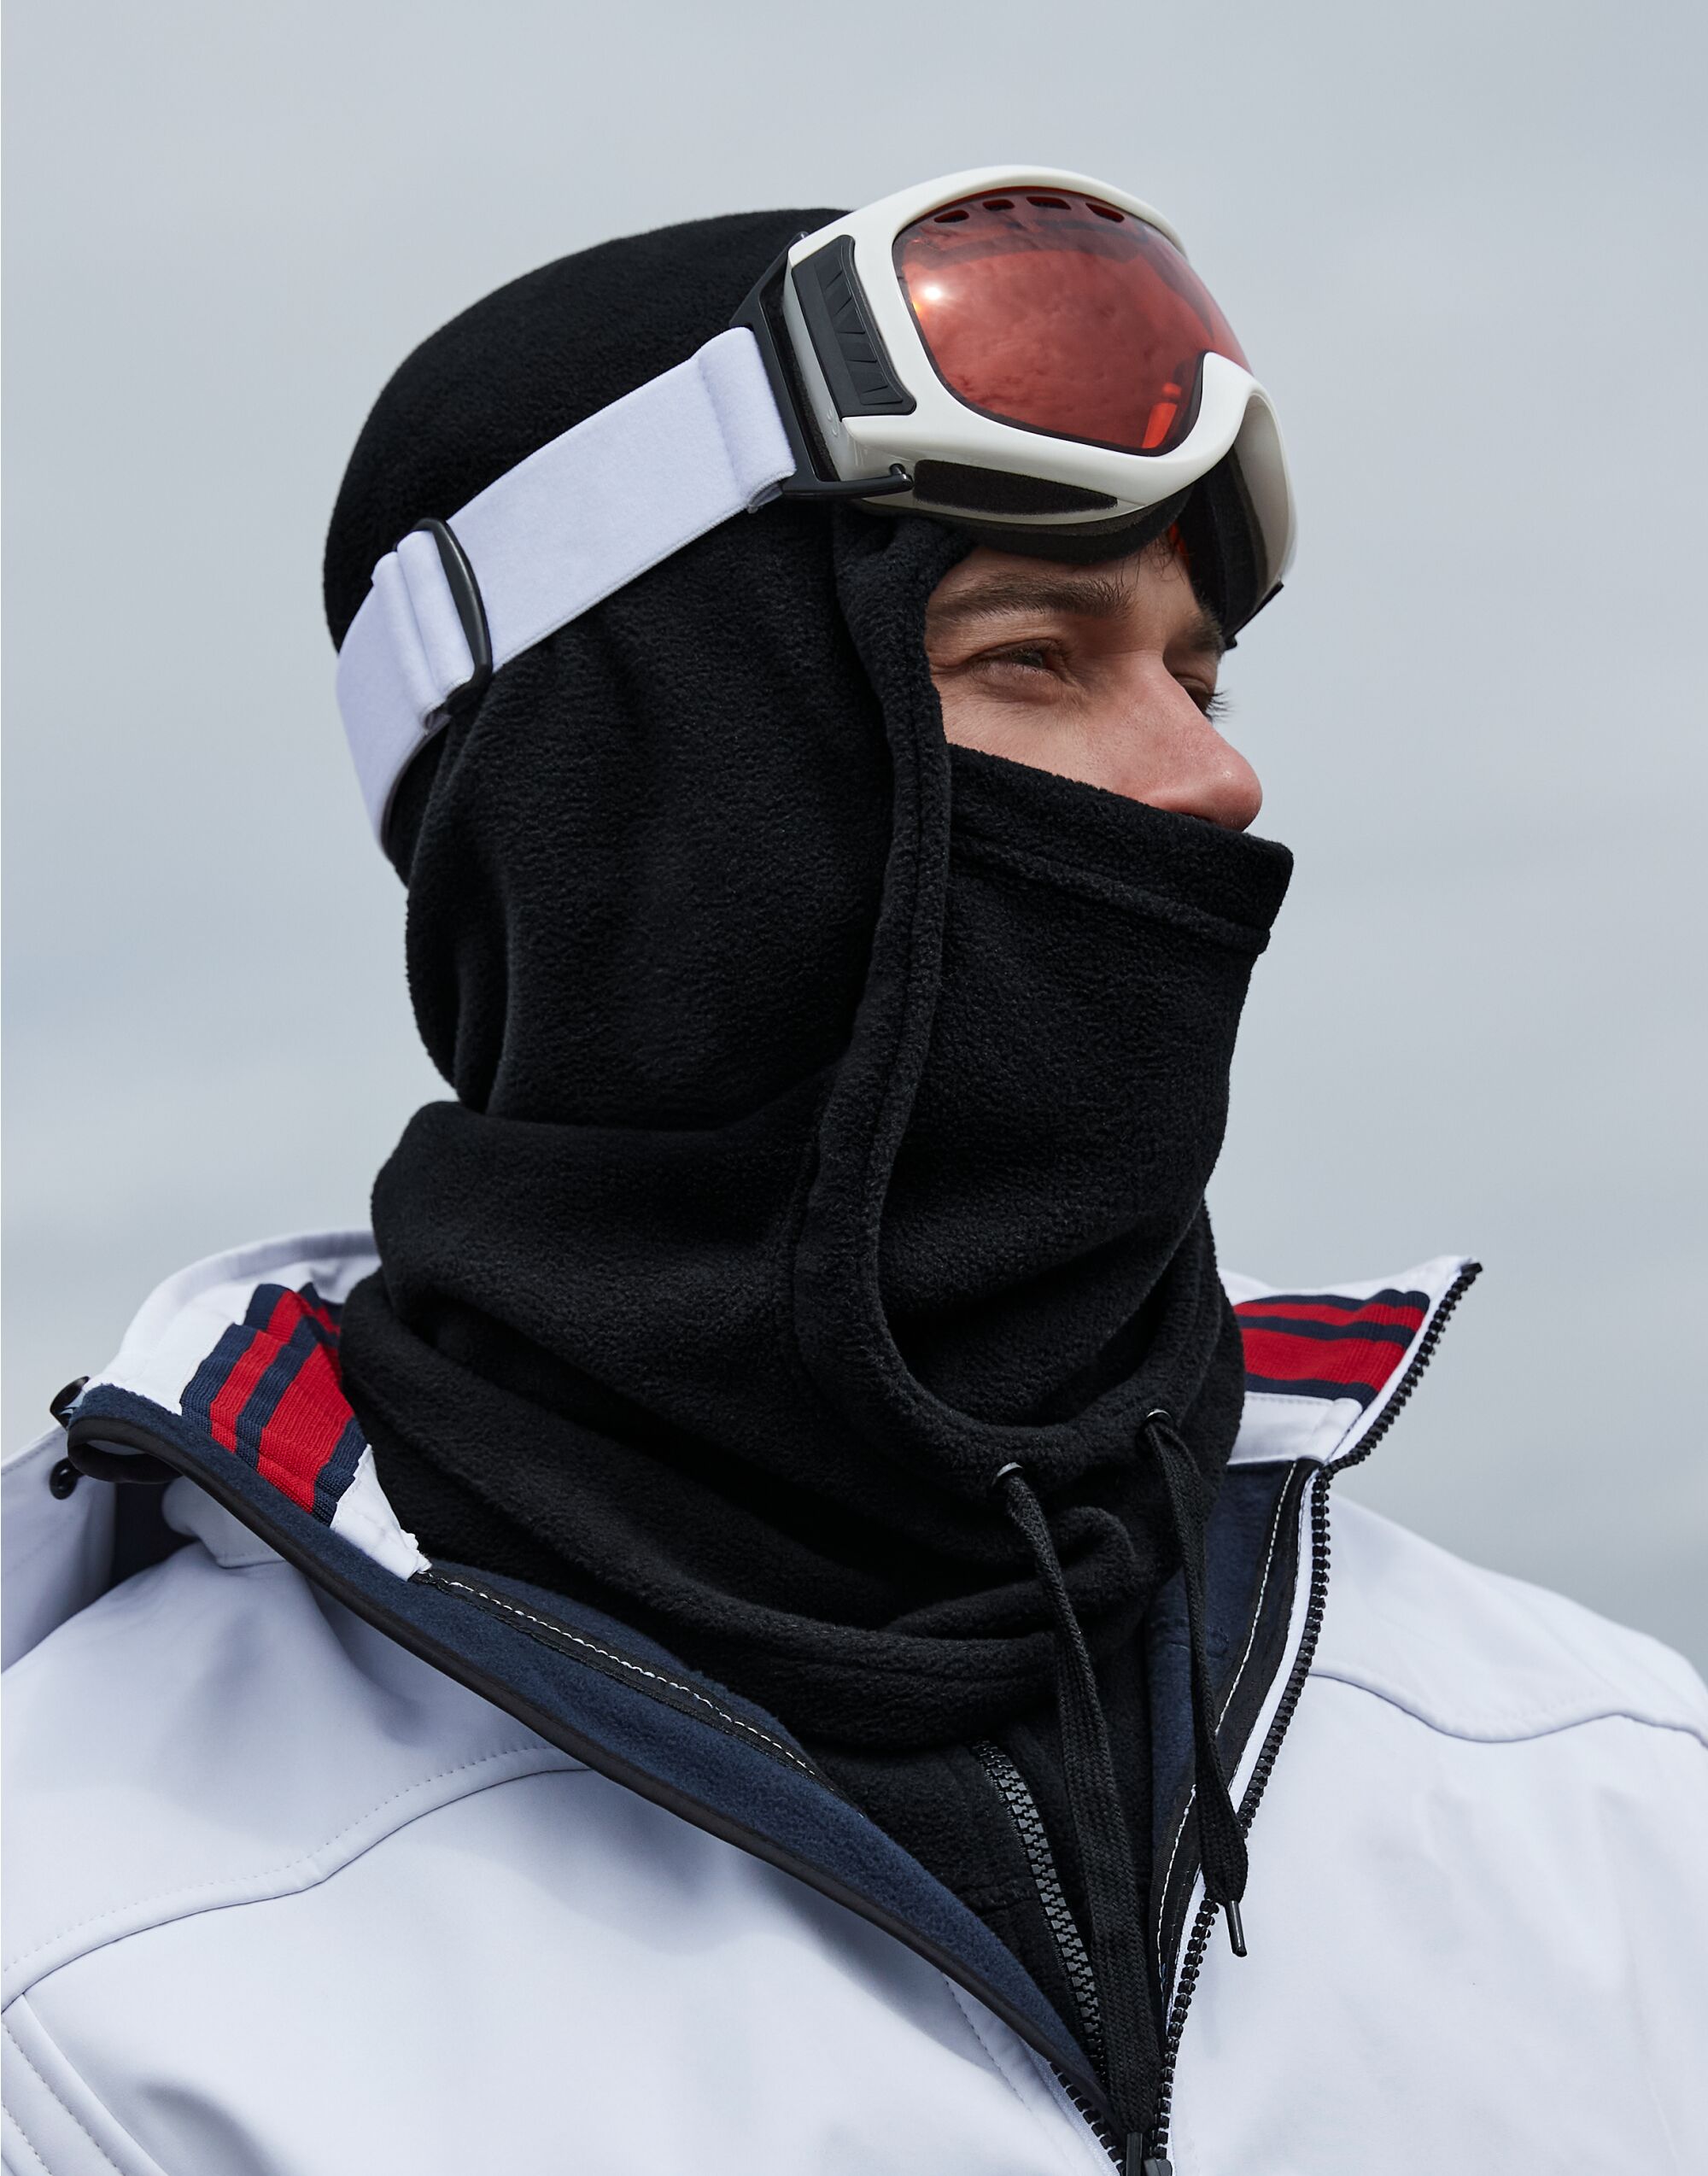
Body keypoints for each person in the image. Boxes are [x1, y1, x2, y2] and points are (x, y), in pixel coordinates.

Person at [3, 171, 1703, 2176]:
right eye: (1032, 655)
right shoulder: (93, 1959)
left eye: (1199, 674)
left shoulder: (1605, 1792)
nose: (1214, 778)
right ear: (644, 819)